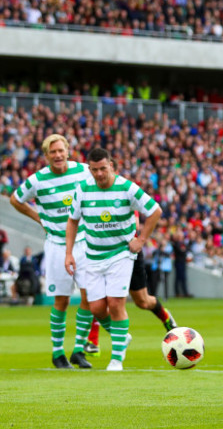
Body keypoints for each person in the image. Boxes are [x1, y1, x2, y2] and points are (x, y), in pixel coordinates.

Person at [65, 147, 162, 371]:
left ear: (111, 166)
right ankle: (122, 336)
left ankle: (116, 359)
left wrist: (142, 239)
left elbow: (155, 210)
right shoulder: (82, 190)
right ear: (89, 169)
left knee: (116, 303)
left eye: (103, 168)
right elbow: (72, 221)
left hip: (121, 254)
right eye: (95, 170)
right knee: (97, 307)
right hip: (93, 255)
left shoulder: (126, 187)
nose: (99, 174)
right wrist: (69, 253)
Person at [10, 134, 94, 369]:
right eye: (52, 152)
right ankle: (58, 353)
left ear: (68, 151)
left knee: (89, 295)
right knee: (62, 299)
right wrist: (38, 217)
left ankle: (79, 350)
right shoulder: (37, 180)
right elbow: (15, 199)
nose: (57, 155)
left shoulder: (84, 171)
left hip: (84, 242)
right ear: (46, 156)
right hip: (57, 244)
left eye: (61, 150)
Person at [83, 215, 178, 357]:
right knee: (99, 296)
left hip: (129, 251)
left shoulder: (126, 193)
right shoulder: (93, 195)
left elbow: (136, 221)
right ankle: (93, 341)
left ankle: (166, 317)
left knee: (143, 302)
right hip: (105, 252)